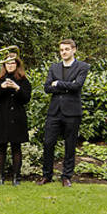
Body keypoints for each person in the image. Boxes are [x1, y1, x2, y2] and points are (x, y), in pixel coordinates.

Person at [36, 39, 90, 187]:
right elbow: (47, 88)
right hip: (54, 111)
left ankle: (66, 177)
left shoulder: (83, 67)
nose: (63, 52)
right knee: (48, 143)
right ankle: (47, 175)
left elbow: (77, 86)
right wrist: (67, 86)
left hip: (72, 112)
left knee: (70, 145)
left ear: (74, 50)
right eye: (61, 50)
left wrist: (58, 83)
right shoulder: (54, 67)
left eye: (66, 49)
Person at [0, 53, 31, 185]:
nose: (10, 66)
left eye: (13, 63)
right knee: (1, 147)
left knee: (16, 147)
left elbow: (26, 98)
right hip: (1, 117)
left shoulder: (23, 80)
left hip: (17, 118)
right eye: (8, 63)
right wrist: (2, 87)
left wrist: (17, 88)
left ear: (17, 65)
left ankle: (16, 178)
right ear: (4, 65)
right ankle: (0, 178)